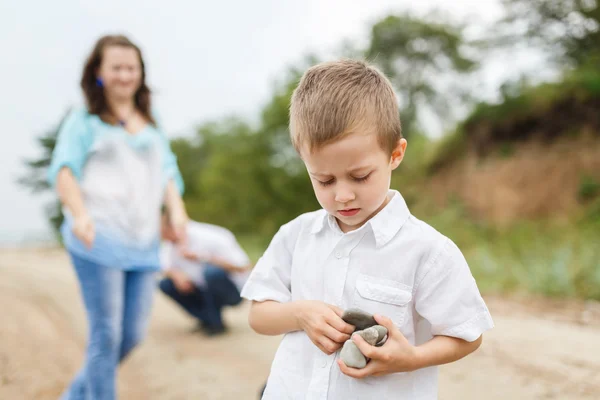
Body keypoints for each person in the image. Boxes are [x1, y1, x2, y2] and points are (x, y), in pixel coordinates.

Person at [241, 59, 494, 399]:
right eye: (324, 179)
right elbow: (259, 315)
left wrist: (412, 357)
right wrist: (299, 314)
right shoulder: (295, 235)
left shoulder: (428, 250)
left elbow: (467, 335)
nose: (342, 195)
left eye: (360, 176)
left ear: (395, 154)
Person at [47, 34, 188, 400]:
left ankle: (73, 396)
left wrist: (176, 209)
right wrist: (79, 215)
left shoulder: (151, 124)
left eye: (132, 68)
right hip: (98, 239)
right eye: (117, 67)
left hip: (143, 243)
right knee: (105, 335)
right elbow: (64, 170)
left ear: (140, 73)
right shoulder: (84, 120)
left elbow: (167, 172)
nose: (125, 75)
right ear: (98, 72)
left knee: (131, 336)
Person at [159, 216, 252, 336]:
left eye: (163, 233)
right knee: (166, 284)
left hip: (232, 289)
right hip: (199, 287)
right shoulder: (171, 241)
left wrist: (203, 257)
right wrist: (177, 275)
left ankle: (215, 323)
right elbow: (163, 264)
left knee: (211, 274)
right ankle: (208, 319)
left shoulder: (213, 236)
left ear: (173, 228)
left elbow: (243, 266)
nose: (163, 238)